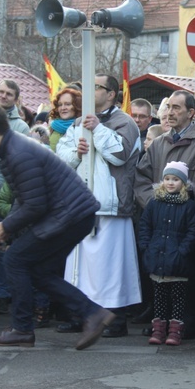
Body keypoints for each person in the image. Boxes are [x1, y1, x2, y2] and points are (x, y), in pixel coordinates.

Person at [0, 105, 112, 350]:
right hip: (73, 215)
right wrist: (9, 230)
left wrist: (4, 227)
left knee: (15, 260)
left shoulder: (18, 153)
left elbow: (35, 205)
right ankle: (92, 313)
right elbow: (24, 199)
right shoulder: (13, 149)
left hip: (70, 215)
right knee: (38, 270)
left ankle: (22, 329)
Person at [57, 73, 142, 338]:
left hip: (111, 206)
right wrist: (77, 152)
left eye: (97, 87)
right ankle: (82, 314)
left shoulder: (125, 122)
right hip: (82, 204)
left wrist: (98, 129)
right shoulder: (79, 121)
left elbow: (119, 156)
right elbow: (62, 155)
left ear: (111, 94)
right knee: (79, 267)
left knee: (110, 268)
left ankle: (114, 319)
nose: (91, 91)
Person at [135, 90, 195, 339]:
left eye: (177, 107)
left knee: (188, 279)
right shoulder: (158, 143)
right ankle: (161, 323)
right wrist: (156, 203)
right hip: (160, 226)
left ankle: (186, 325)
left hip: (187, 224)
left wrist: (179, 200)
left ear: (191, 113)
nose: (170, 112)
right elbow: (141, 179)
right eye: (168, 107)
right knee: (160, 280)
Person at [138, 161, 195, 346]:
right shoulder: (155, 203)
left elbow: (193, 231)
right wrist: (147, 247)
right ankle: (158, 330)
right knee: (158, 296)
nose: (171, 183)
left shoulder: (189, 206)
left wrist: (183, 251)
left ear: (183, 182)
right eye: (167, 179)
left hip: (178, 260)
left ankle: (175, 331)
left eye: (175, 179)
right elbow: (145, 226)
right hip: (157, 256)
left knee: (178, 297)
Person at [48, 87, 81, 151]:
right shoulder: (53, 126)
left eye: (67, 104)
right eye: (60, 105)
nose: (63, 108)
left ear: (77, 106)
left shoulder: (82, 127)